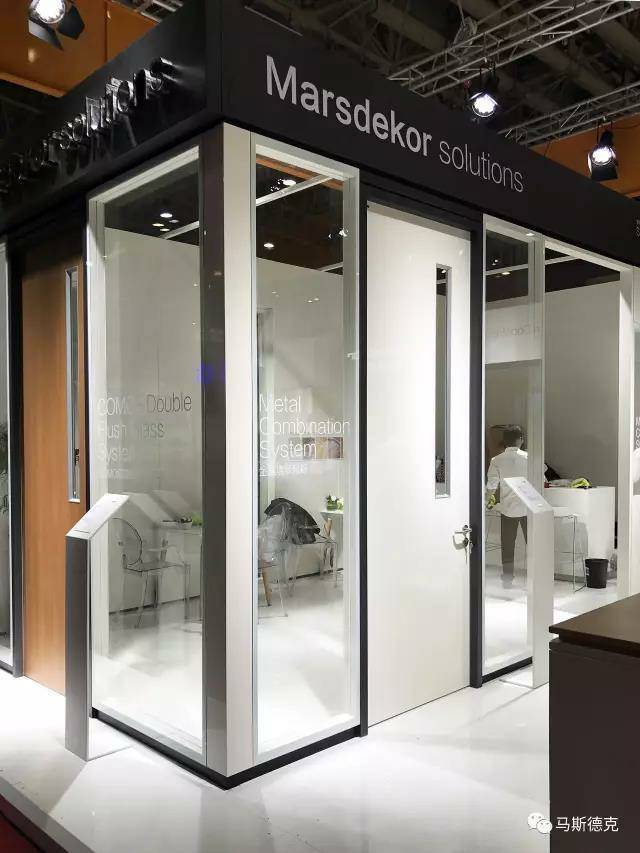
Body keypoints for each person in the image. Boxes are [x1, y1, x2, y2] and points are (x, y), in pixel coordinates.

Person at [486, 426, 528, 587]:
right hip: (528, 507)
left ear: (505, 441)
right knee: (532, 544)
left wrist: (487, 501)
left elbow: (491, 486)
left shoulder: (496, 460)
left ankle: (507, 580)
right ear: (520, 440)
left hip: (508, 508)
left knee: (508, 545)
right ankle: (536, 577)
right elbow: (541, 477)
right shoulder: (529, 458)